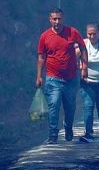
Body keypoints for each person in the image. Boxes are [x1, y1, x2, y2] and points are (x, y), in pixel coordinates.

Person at [36, 8, 87, 144]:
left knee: (70, 107)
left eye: (59, 19)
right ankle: (53, 134)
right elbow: (41, 57)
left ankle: (68, 127)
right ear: (50, 19)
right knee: (54, 105)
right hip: (53, 77)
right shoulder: (44, 36)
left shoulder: (72, 32)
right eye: (54, 19)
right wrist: (39, 76)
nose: (57, 21)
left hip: (70, 78)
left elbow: (83, 48)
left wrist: (84, 67)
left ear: (63, 19)